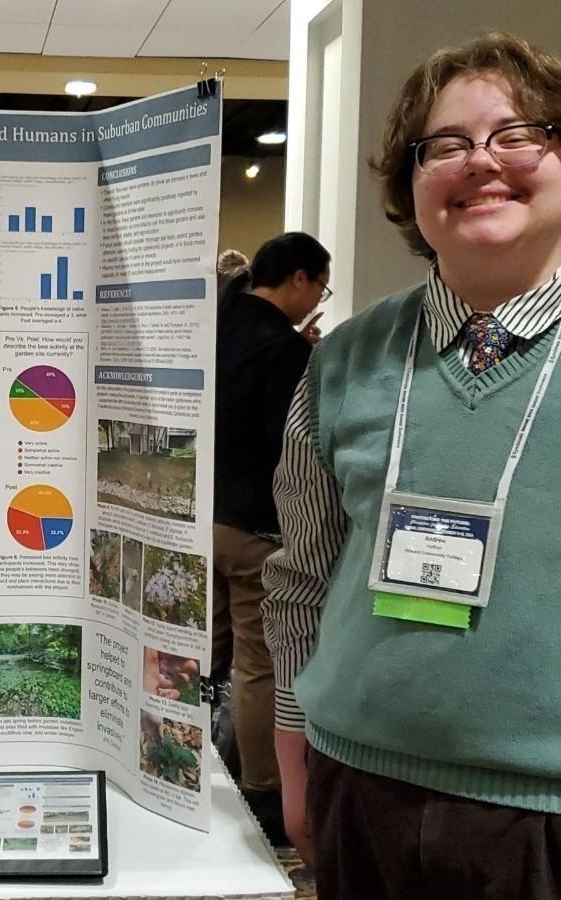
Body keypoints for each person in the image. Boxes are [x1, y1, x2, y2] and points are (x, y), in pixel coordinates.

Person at [262, 31, 561, 897]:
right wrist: (295, 769)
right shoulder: (343, 362)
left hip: (544, 810)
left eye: (518, 134)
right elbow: (300, 585)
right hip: (358, 786)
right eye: (447, 146)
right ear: (411, 180)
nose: (481, 163)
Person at [213, 231, 330, 843]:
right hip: (256, 526)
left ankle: (193, 758)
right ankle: (261, 789)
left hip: (201, 518)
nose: (316, 301)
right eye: (319, 288)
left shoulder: (218, 323)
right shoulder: (284, 350)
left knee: (203, 650)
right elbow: (288, 451)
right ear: (300, 280)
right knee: (259, 665)